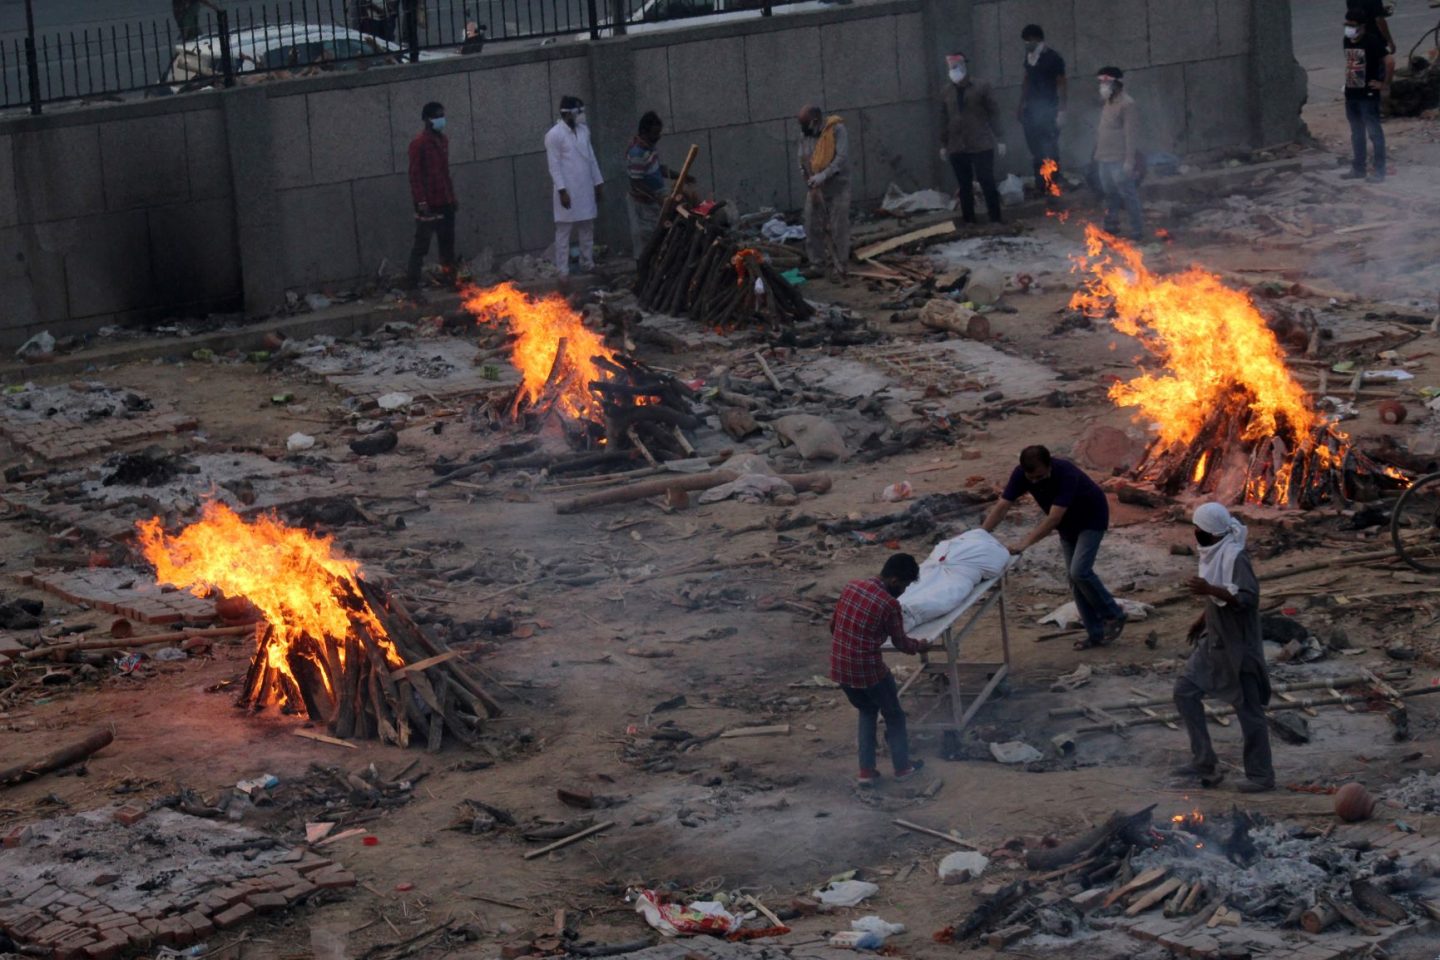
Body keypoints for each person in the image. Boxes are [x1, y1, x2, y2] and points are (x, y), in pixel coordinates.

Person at [981, 445, 1125, 650]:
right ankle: (1096, 635)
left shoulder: (1065, 472)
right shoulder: (1022, 475)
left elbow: (1053, 518)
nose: (1035, 482)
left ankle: (1114, 614)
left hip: (1091, 518)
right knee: (1074, 579)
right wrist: (980, 533)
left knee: (1080, 572)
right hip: (1067, 525)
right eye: (1031, 479)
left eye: (1040, 477)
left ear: (1050, 465)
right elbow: (1003, 505)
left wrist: (1024, 543)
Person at [1173, 503, 1274, 793]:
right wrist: (1202, 619)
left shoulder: (1235, 556)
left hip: (1237, 645)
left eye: (1199, 530)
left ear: (1211, 532)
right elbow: (1219, 591)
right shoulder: (1214, 553)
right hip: (1214, 640)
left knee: (1248, 709)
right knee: (1185, 691)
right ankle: (1203, 760)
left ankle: (1261, 775)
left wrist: (1209, 591)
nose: (1195, 534)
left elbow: (1246, 598)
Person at [830, 554, 930, 787]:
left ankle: (866, 771)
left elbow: (833, 625)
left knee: (866, 711)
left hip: (840, 668)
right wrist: (921, 646)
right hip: (869, 671)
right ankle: (903, 767)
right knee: (894, 715)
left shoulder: (852, 586)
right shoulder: (889, 604)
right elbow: (902, 644)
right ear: (895, 580)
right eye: (904, 586)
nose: (904, 591)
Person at [938, 52, 1005, 225]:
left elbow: (994, 112)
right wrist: (944, 144)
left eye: (956, 66)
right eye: (950, 67)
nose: (953, 70)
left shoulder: (982, 87)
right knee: (964, 184)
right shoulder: (946, 91)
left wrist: (1000, 138)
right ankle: (969, 220)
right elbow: (944, 118)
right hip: (957, 145)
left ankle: (995, 218)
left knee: (986, 180)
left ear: (963, 67)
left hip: (980, 143)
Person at [545, 95, 605, 277]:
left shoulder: (584, 131)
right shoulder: (554, 135)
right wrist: (562, 191)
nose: (582, 115)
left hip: (585, 186)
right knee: (564, 230)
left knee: (587, 226)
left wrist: (598, 182)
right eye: (579, 111)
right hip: (568, 189)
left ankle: (587, 262)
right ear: (569, 113)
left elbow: (591, 158)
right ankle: (562, 270)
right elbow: (553, 166)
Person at [625, 112, 694, 259]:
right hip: (642, 204)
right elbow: (636, 183)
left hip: (654, 200)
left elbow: (658, 168)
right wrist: (658, 197)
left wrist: (681, 175)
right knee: (646, 242)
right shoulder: (637, 153)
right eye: (655, 134)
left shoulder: (649, 148)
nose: (658, 137)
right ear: (644, 132)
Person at [406, 101, 458, 290]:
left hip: (445, 200)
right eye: (437, 116)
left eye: (442, 115)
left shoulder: (442, 141)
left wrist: (452, 197)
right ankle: (412, 283)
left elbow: (444, 172)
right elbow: (415, 175)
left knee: (447, 243)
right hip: (428, 203)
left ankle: (450, 279)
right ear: (427, 120)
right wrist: (421, 202)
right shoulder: (419, 144)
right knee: (422, 245)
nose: (441, 120)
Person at [796, 105, 852, 280]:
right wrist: (808, 179)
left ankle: (840, 265)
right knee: (811, 224)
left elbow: (841, 158)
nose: (803, 128)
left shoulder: (836, 130)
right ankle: (817, 263)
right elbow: (802, 158)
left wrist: (824, 175)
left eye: (806, 124)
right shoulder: (805, 135)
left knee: (838, 227)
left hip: (837, 186)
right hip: (814, 187)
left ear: (815, 120)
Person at [1093, 66, 1144, 239]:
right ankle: (1111, 226)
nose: (1102, 86)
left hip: (1119, 159)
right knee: (1110, 194)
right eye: (1101, 82)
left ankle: (1137, 230)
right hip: (1104, 158)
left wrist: (1129, 161)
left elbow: (1132, 135)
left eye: (1106, 82)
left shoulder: (1127, 104)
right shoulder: (1109, 102)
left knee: (1128, 195)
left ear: (1116, 83)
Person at [1017, 24, 1067, 198]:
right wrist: (1021, 104)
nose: (1027, 44)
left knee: (1050, 147)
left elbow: (1061, 83)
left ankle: (1053, 183)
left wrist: (1062, 110)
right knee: (1036, 150)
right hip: (1031, 110)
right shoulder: (1030, 57)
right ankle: (1041, 184)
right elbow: (1026, 80)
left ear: (1037, 38)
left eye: (1028, 40)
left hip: (1048, 109)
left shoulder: (1053, 58)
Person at [1343, 8, 1392, 183]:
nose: (1348, 28)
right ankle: (1358, 169)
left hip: (1368, 95)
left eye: (1352, 25)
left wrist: (1384, 84)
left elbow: (1389, 61)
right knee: (1356, 133)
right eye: (1347, 24)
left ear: (1362, 26)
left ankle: (1379, 171)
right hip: (1352, 94)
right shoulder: (1347, 40)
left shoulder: (1371, 41)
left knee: (1374, 133)